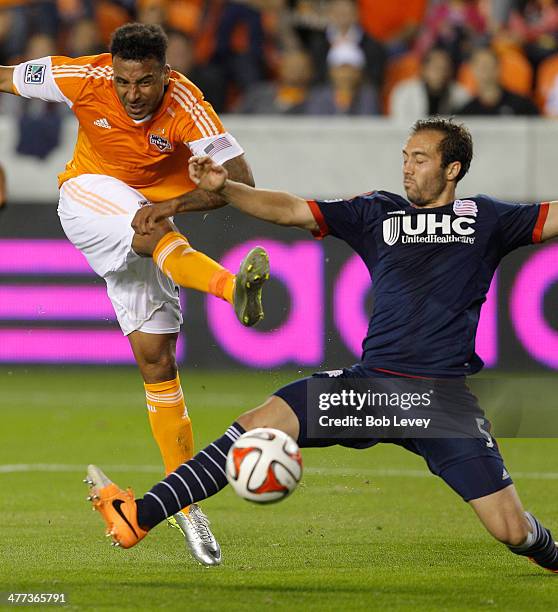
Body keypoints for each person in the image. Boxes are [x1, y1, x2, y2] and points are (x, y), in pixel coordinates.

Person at [86, 117, 558, 574]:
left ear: (452, 169)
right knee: (256, 424)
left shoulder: (488, 218)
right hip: (369, 391)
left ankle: (551, 552)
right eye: (405, 157)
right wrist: (225, 187)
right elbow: (290, 209)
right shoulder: (379, 211)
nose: (407, 167)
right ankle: (139, 517)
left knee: (512, 531)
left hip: (440, 402)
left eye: (420, 158)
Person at [0, 22, 271, 566]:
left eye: (145, 82)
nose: (132, 94)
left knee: (157, 362)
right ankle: (228, 285)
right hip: (86, 200)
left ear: (166, 74)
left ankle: (186, 505)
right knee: (149, 227)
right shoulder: (82, 76)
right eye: (124, 82)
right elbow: (4, 78)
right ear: (113, 70)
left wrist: (191, 194)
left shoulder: (189, 105)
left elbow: (241, 181)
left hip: (148, 226)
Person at [390, 47, 470, 120]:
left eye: (445, 68)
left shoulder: (461, 94)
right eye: (436, 68)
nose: (441, 73)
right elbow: (399, 124)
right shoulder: (405, 91)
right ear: (424, 69)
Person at [457, 47, 539, 116]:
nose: (485, 71)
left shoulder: (523, 105)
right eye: (481, 66)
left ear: (499, 68)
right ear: (472, 70)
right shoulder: (466, 112)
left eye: (489, 65)